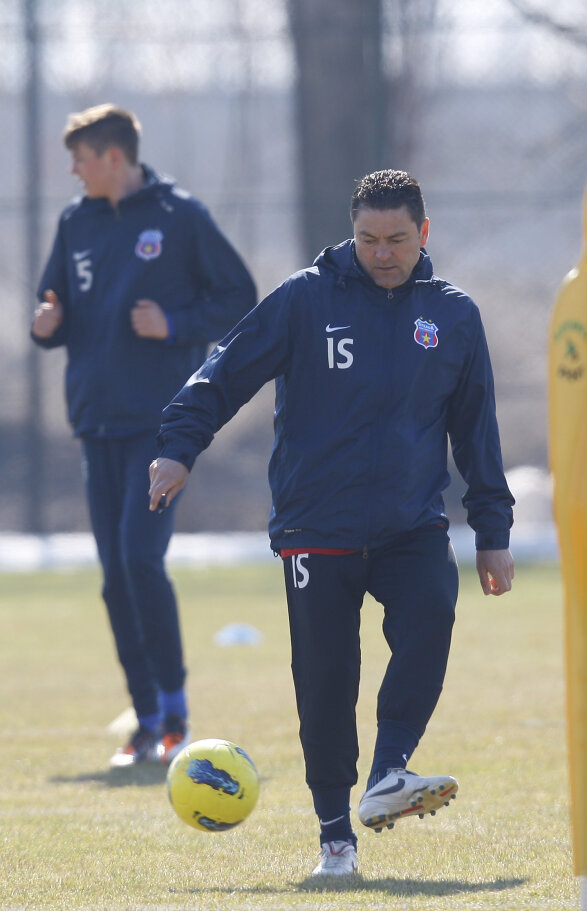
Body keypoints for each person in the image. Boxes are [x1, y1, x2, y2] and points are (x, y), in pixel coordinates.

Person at [148, 169, 515, 877]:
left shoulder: (454, 315)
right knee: (325, 680)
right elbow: (225, 371)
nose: (382, 252)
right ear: (352, 234)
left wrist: (492, 530)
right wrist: (178, 444)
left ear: (424, 234)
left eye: (397, 240)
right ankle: (334, 838)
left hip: (411, 523)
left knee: (432, 616)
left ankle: (389, 771)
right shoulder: (305, 299)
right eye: (369, 239)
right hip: (317, 522)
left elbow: (477, 432)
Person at [31, 104, 256, 768]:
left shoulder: (179, 216)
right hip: (95, 422)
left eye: (80, 157)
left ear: (114, 158)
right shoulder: (75, 221)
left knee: (139, 559)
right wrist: (46, 323)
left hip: (161, 427)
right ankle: (147, 718)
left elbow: (239, 297)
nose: (72, 169)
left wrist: (177, 322)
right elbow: (57, 307)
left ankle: (176, 713)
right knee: (114, 577)